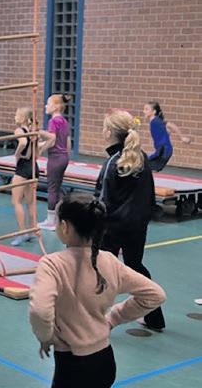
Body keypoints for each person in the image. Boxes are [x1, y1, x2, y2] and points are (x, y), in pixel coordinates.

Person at [29, 193, 166, 388]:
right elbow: (155, 295)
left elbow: (40, 310)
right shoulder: (110, 261)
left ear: (65, 227)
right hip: (105, 362)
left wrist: (45, 336)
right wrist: (113, 318)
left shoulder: (52, 265)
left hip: (72, 366)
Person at [95, 109, 166, 332]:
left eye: (104, 127)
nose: (102, 131)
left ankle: (93, 319)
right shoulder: (140, 157)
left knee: (100, 271)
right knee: (135, 266)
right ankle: (155, 318)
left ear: (109, 132)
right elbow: (149, 195)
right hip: (137, 225)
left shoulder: (113, 162)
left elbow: (102, 201)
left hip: (112, 227)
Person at [37, 94, 72, 231]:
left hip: (56, 157)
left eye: (48, 104)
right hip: (63, 157)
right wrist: (67, 157)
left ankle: (51, 221)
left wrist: (40, 147)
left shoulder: (53, 121)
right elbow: (67, 142)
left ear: (56, 107)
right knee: (57, 188)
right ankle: (58, 218)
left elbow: (52, 140)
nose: (46, 106)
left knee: (52, 189)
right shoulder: (64, 121)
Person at [11, 107, 38, 246]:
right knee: (30, 202)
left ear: (22, 118)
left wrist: (17, 154)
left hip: (23, 168)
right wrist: (26, 155)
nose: (14, 116)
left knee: (16, 201)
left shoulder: (19, 130)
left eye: (16, 115)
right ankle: (32, 231)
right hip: (33, 167)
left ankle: (22, 233)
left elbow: (23, 143)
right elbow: (34, 152)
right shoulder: (33, 131)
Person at [143, 101, 190, 172]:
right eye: (144, 109)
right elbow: (167, 130)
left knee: (144, 166)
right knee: (145, 166)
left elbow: (172, 125)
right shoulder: (155, 121)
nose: (144, 111)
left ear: (154, 112)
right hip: (162, 150)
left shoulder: (156, 121)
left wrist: (182, 137)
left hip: (164, 151)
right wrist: (167, 133)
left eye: (146, 109)